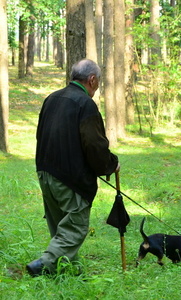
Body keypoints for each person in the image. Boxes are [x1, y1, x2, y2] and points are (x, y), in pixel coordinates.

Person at [26, 59, 119, 277]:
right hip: (70, 179)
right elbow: (94, 145)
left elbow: (40, 135)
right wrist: (110, 165)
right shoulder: (85, 104)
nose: (97, 88)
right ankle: (43, 264)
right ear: (92, 80)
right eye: (98, 83)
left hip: (45, 173)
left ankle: (70, 272)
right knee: (74, 228)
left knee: (61, 229)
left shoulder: (52, 98)